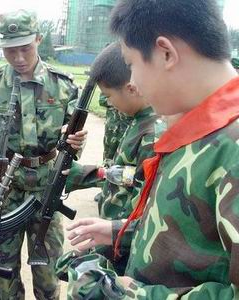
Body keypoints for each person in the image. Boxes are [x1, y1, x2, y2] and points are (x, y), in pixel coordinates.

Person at [65, 0, 239, 298]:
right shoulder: (201, 131)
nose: (132, 81)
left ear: (165, 53)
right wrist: (121, 231)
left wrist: (123, 294)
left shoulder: (231, 147)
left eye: (131, 64)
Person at [0, 9, 86, 300]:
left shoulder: (64, 85)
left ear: (39, 40)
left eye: (25, 49)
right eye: (10, 50)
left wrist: (76, 141)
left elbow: (73, 134)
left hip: (46, 189)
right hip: (5, 191)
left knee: (49, 272)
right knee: (2, 273)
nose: (18, 58)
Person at [64, 42, 164, 275]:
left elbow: (141, 214)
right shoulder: (139, 123)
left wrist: (99, 252)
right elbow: (127, 174)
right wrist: (89, 173)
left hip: (124, 248)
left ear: (131, 89)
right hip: (116, 238)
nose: (108, 103)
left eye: (108, 95)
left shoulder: (151, 135)